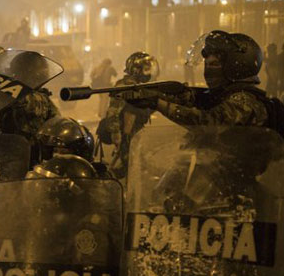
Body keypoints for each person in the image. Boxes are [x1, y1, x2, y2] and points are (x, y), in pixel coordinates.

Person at [120, 31, 274, 130]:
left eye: (214, 64)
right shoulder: (223, 95)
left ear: (237, 66)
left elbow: (208, 123)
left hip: (241, 178)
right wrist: (151, 93)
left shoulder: (245, 101)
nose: (208, 70)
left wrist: (158, 103)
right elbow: (192, 98)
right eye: (206, 64)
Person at [97, 51, 158, 178]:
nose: (149, 72)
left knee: (135, 166)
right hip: (125, 135)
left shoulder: (140, 87)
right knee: (129, 166)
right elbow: (113, 113)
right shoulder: (125, 86)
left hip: (135, 133)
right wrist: (116, 135)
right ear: (136, 70)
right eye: (146, 69)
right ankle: (110, 186)